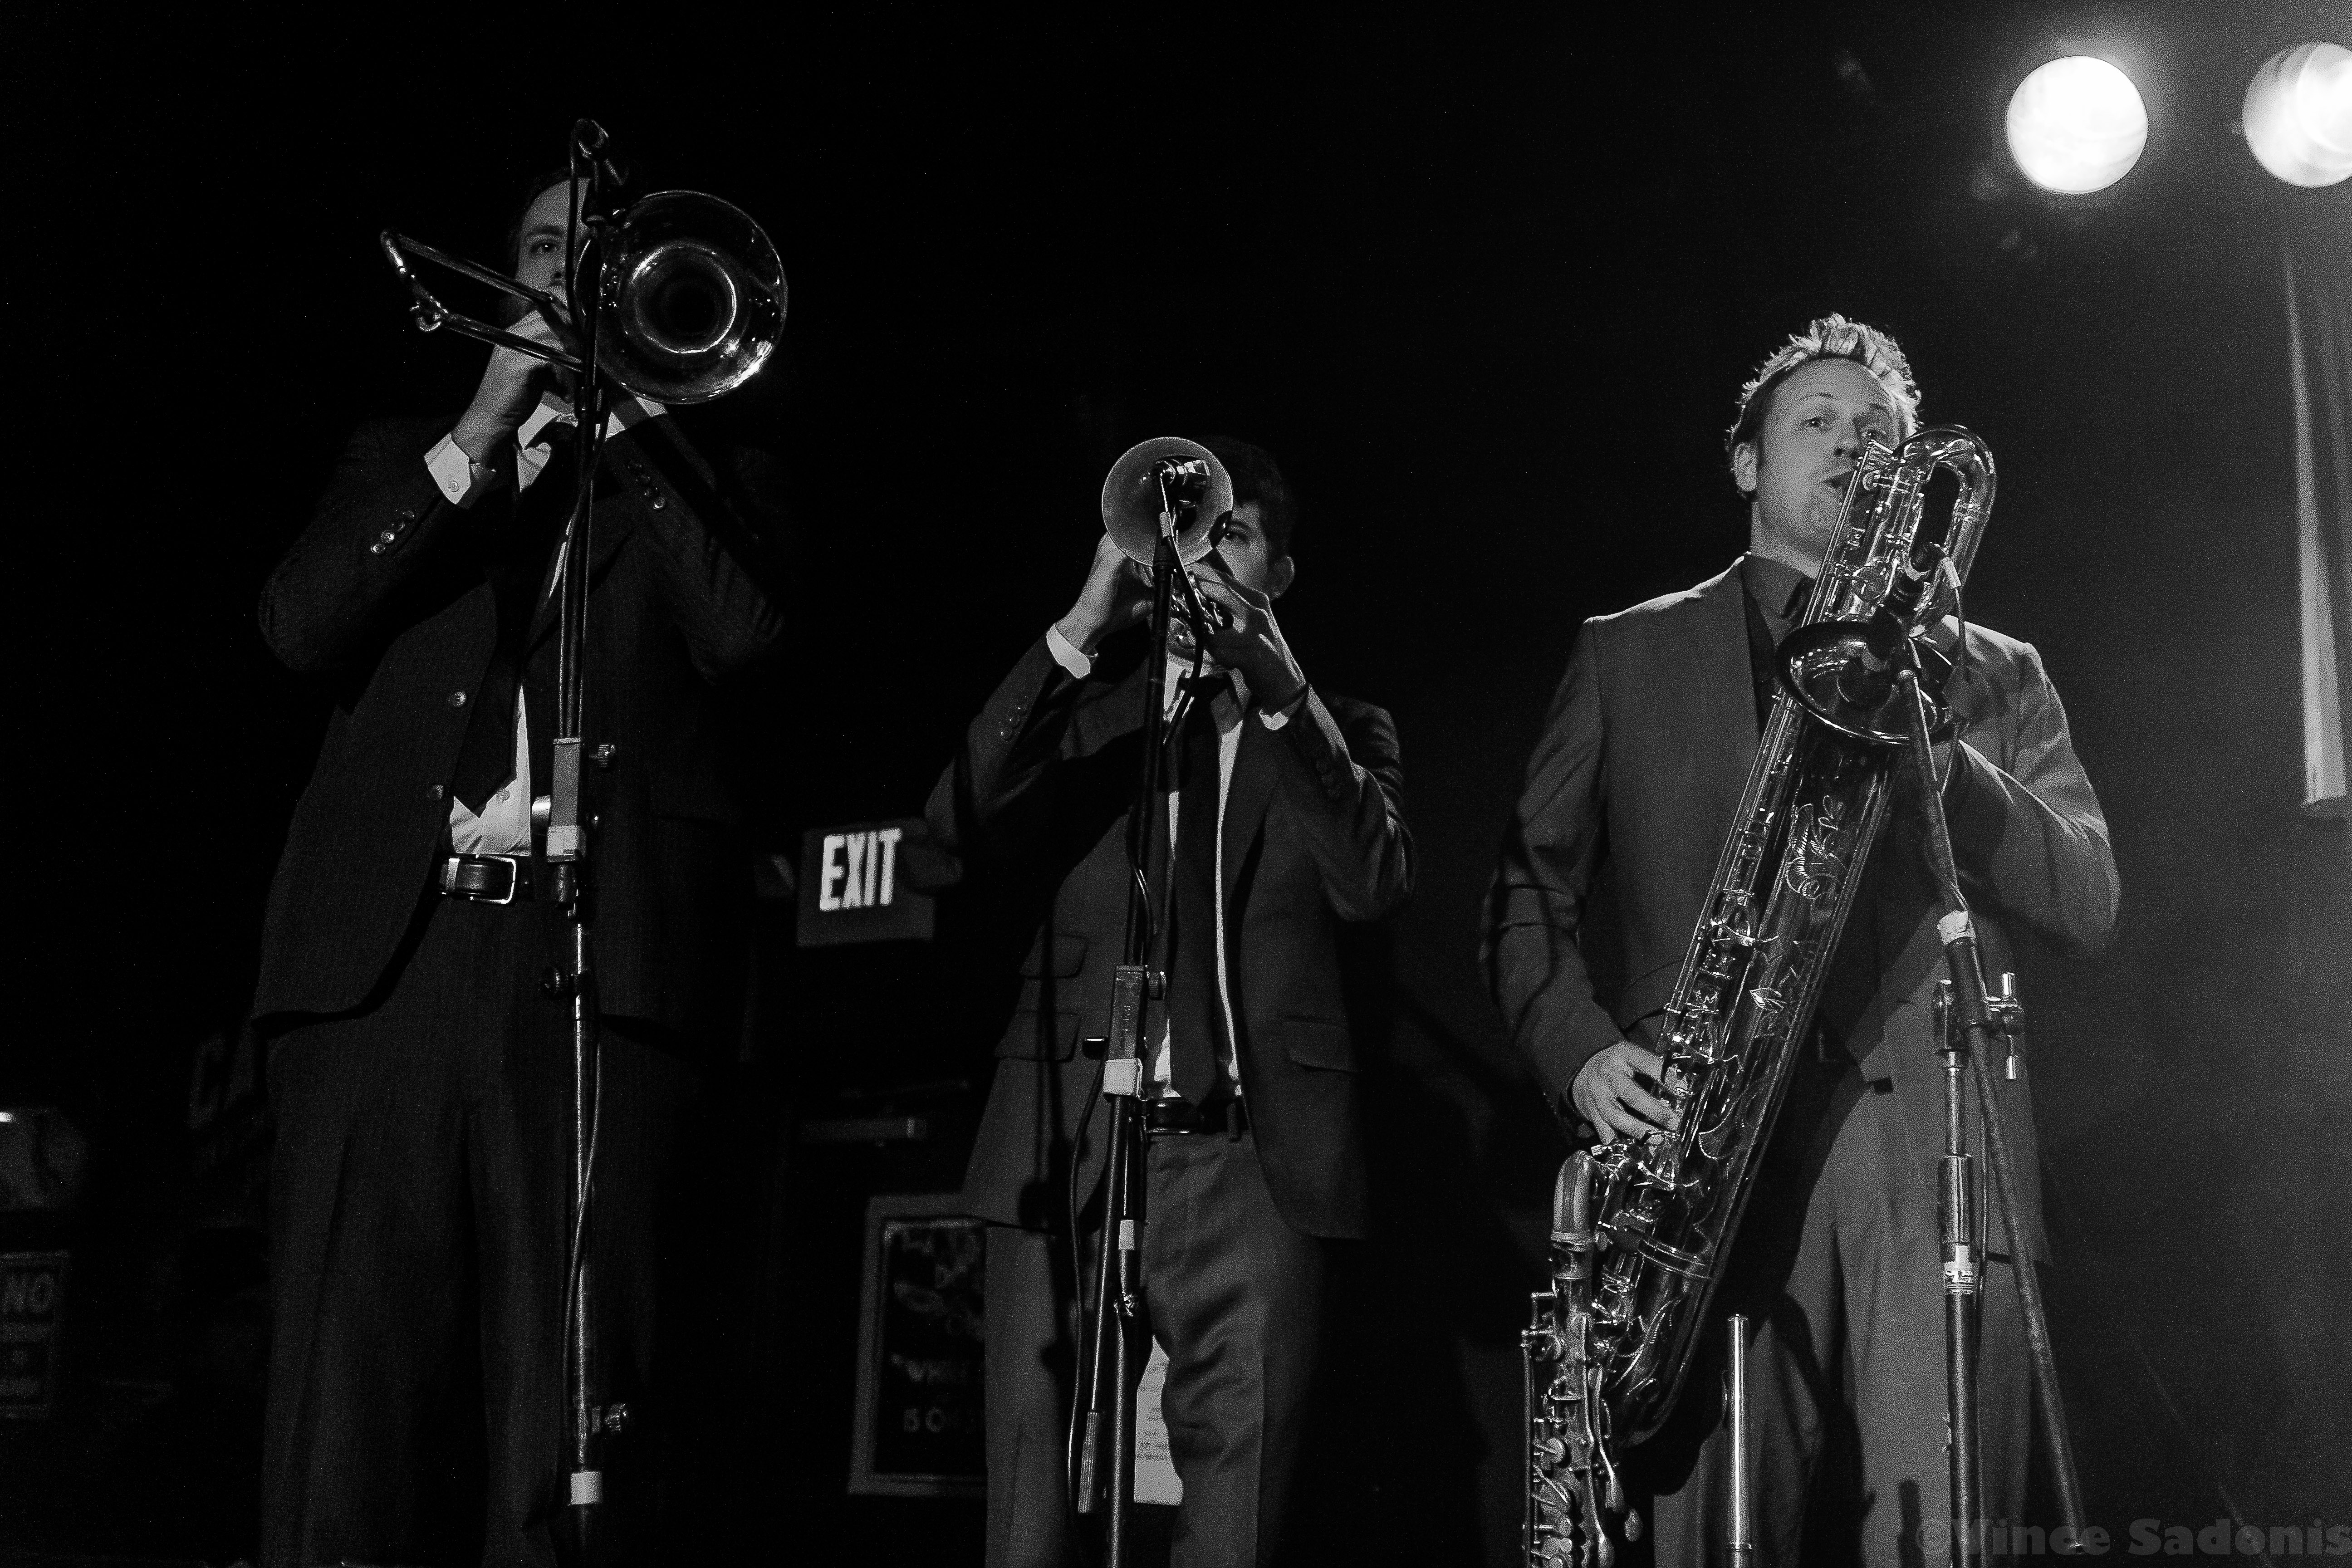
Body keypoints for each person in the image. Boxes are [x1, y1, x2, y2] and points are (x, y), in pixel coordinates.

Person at [1484, 314, 2118, 1564]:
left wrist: (1944, 755)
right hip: (1702, 1146)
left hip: (1926, 1142)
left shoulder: (1997, 672)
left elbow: (2088, 895)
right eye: (1817, 422)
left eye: (1878, 431)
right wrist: (1583, 1054)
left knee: (1948, 1536)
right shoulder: (1627, 651)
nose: (1851, 446)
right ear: (1746, 462)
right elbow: (1523, 893)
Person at [251, 167, 784, 1565]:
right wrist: (482, 426)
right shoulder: (400, 454)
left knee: (565, 1424)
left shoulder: (706, 480)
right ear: (506, 274)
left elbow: (743, 638)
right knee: (346, 1415)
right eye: (553, 249)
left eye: (608, 253)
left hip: (589, 973)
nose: (577, 276)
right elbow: (299, 628)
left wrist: (642, 424)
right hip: (390, 973)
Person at [926, 438, 1411, 1567]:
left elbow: (1374, 882)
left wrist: (1282, 688)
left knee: (1234, 1534)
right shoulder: (1086, 725)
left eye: (1229, 534)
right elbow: (950, 832)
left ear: (1280, 572)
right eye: (1182, 534)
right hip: (1069, 1148)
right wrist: (1082, 627)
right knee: (1027, 1527)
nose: (1199, 560)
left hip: (1254, 1168)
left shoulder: (1343, 728)